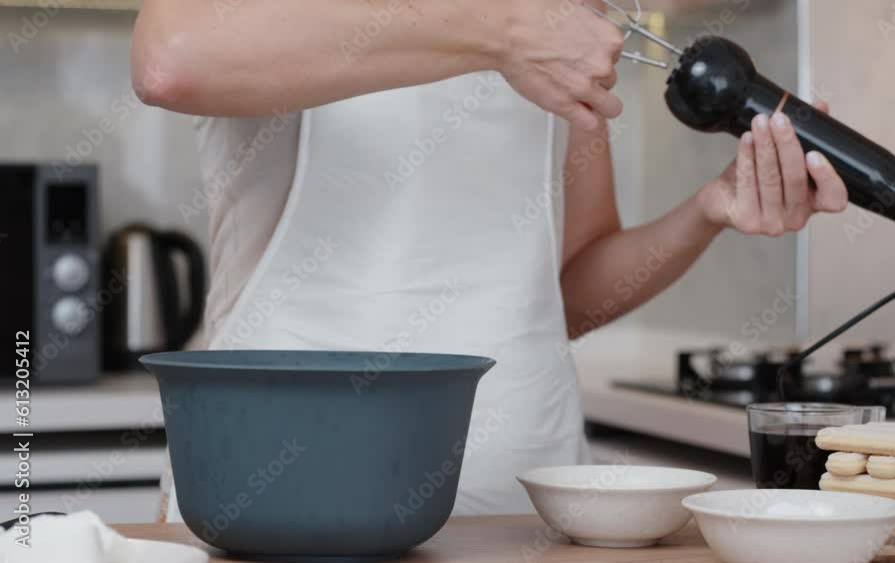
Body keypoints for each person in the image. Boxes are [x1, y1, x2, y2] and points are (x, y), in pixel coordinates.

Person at [132, 0, 849, 518]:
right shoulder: (526, 25)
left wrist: (708, 211)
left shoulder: (564, 19)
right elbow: (169, 60)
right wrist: (504, 32)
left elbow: (567, 289)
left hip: (524, 497)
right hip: (276, 491)